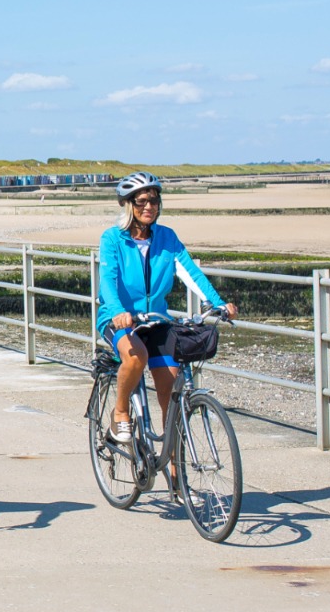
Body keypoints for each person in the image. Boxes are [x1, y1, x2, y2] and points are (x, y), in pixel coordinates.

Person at [95, 172, 235, 443]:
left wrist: (218, 304)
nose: (149, 207)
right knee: (135, 357)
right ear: (128, 205)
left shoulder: (167, 238)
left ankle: (175, 477)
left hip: (157, 320)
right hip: (120, 320)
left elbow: (191, 273)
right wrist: (117, 312)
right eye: (142, 201)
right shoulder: (112, 239)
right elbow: (108, 283)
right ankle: (120, 412)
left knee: (171, 395)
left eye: (155, 201)